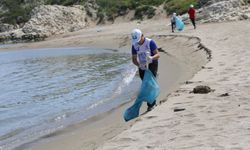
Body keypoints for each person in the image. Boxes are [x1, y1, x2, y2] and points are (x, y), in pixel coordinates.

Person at [131, 29, 160, 111]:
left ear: (142, 36)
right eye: (136, 41)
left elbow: (158, 55)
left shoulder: (150, 42)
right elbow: (133, 59)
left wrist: (151, 57)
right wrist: (139, 65)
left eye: (139, 40)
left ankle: (151, 105)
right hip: (142, 66)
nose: (138, 42)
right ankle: (151, 103)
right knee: (146, 85)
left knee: (150, 84)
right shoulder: (134, 45)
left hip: (152, 64)